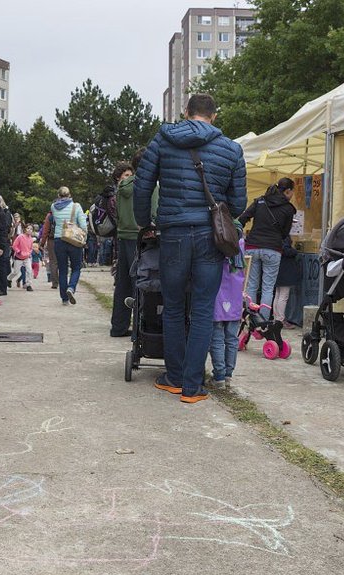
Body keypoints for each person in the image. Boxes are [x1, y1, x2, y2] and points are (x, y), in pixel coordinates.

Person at [134, 93, 247, 403]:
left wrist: (146, 222)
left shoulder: (162, 139)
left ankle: (174, 376)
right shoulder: (232, 150)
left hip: (172, 232)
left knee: (171, 306)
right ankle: (192, 387)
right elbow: (238, 204)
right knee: (201, 310)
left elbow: (143, 185)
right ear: (215, 115)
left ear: (185, 112)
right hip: (210, 237)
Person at [238, 178, 296, 320]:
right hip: (272, 249)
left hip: (252, 246)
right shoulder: (288, 208)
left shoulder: (260, 201)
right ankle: (262, 322)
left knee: (251, 285)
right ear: (287, 191)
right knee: (268, 288)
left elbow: (242, 218)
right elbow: (285, 233)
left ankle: (249, 318)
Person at [110, 159, 154, 337]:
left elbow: (117, 213)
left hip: (123, 236)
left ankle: (118, 326)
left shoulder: (120, 188)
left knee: (122, 283)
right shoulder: (146, 184)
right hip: (140, 236)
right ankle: (139, 328)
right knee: (141, 281)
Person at [209, 239, 246, 389]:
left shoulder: (215, 239)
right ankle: (228, 375)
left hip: (216, 293)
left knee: (217, 338)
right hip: (235, 294)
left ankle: (219, 377)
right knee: (232, 338)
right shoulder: (240, 242)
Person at [50, 187, 87, 305]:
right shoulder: (76, 206)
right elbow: (83, 225)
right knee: (76, 267)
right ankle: (71, 288)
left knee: (63, 269)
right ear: (70, 195)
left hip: (59, 239)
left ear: (58, 195)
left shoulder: (53, 207)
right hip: (73, 240)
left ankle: (64, 299)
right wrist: (84, 236)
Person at [273, 236, 301, 328]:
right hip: (285, 270)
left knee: (278, 294)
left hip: (278, 268)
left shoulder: (277, 234)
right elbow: (286, 250)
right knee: (283, 296)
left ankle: (277, 318)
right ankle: (280, 320)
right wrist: (295, 251)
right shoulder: (284, 237)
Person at [0, 199, 13, 297]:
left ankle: (2, 288)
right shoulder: (6, 213)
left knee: (1, 266)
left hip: (2, 242)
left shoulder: (4, 213)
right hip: (3, 242)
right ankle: (0, 287)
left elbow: (4, 229)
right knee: (1, 266)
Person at [12, 225, 34, 291]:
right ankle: (8, 279)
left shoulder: (31, 239)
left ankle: (28, 285)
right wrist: (19, 252)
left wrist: (29, 253)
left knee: (29, 271)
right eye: (28, 228)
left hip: (27, 258)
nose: (29, 230)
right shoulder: (20, 237)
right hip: (18, 257)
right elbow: (14, 246)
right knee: (15, 272)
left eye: (31, 229)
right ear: (25, 229)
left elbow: (31, 248)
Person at [39, 210, 58, 288]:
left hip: (52, 240)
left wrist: (42, 243)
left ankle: (55, 283)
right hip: (65, 240)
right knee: (63, 261)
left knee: (53, 262)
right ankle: (64, 282)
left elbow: (45, 230)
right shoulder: (67, 212)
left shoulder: (50, 216)